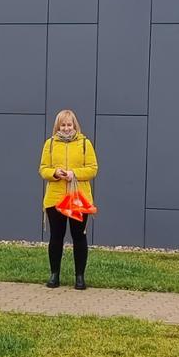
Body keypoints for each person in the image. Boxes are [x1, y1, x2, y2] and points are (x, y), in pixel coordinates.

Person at [38, 109, 99, 290]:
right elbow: (43, 169)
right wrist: (55, 173)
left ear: (75, 125)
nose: (66, 128)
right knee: (56, 237)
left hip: (78, 197)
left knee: (78, 236)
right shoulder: (49, 144)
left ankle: (79, 277)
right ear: (58, 126)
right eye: (62, 125)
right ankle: (54, 274)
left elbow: (93, 169)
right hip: (55, 198)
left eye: (69, 125)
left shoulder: (85, 144)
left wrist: (74, 174)